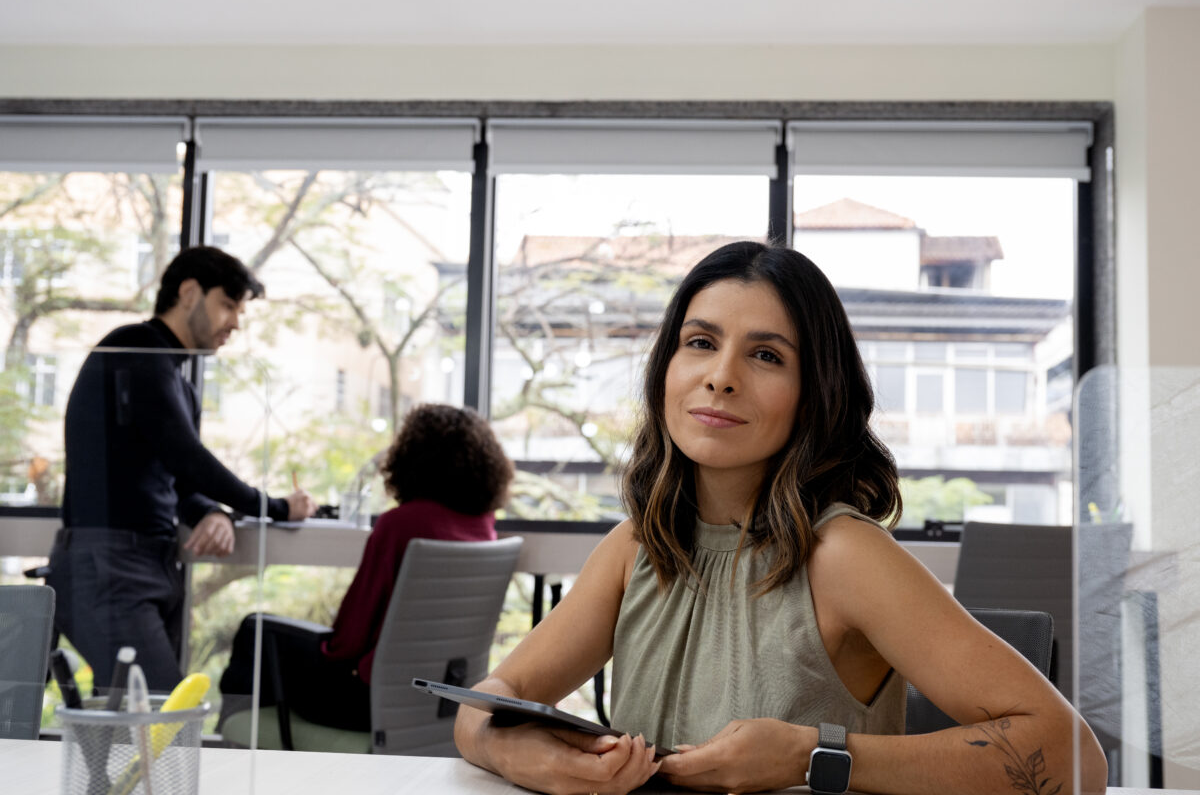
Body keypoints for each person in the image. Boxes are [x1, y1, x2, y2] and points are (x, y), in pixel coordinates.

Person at [454, 241, 1108, 795]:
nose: (721, 377)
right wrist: (518, 753)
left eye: (766, 355)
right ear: (666, 369)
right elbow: (488, 700)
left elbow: (1074, 759)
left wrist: (812, 755)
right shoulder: (636, 548)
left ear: (815, 392)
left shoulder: (845, 556)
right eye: (701, 342)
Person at [47, 246, 317, 694]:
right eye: (228, 305)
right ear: (189, 292)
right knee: (162, 717)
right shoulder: (135, 349)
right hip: (108, 567)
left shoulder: (181, 385)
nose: (236, 322)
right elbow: (187, 456)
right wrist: (276, 507)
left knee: (135, 728)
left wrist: (212, 511)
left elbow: (179, 479)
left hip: (151, 564)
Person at [218, 402, 514, 732]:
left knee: (255, 630)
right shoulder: (484, 528)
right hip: (439, 700)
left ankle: (236, 740)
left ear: (413, 459)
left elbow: (348, 640)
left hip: (363, 701)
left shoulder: (401, 525)